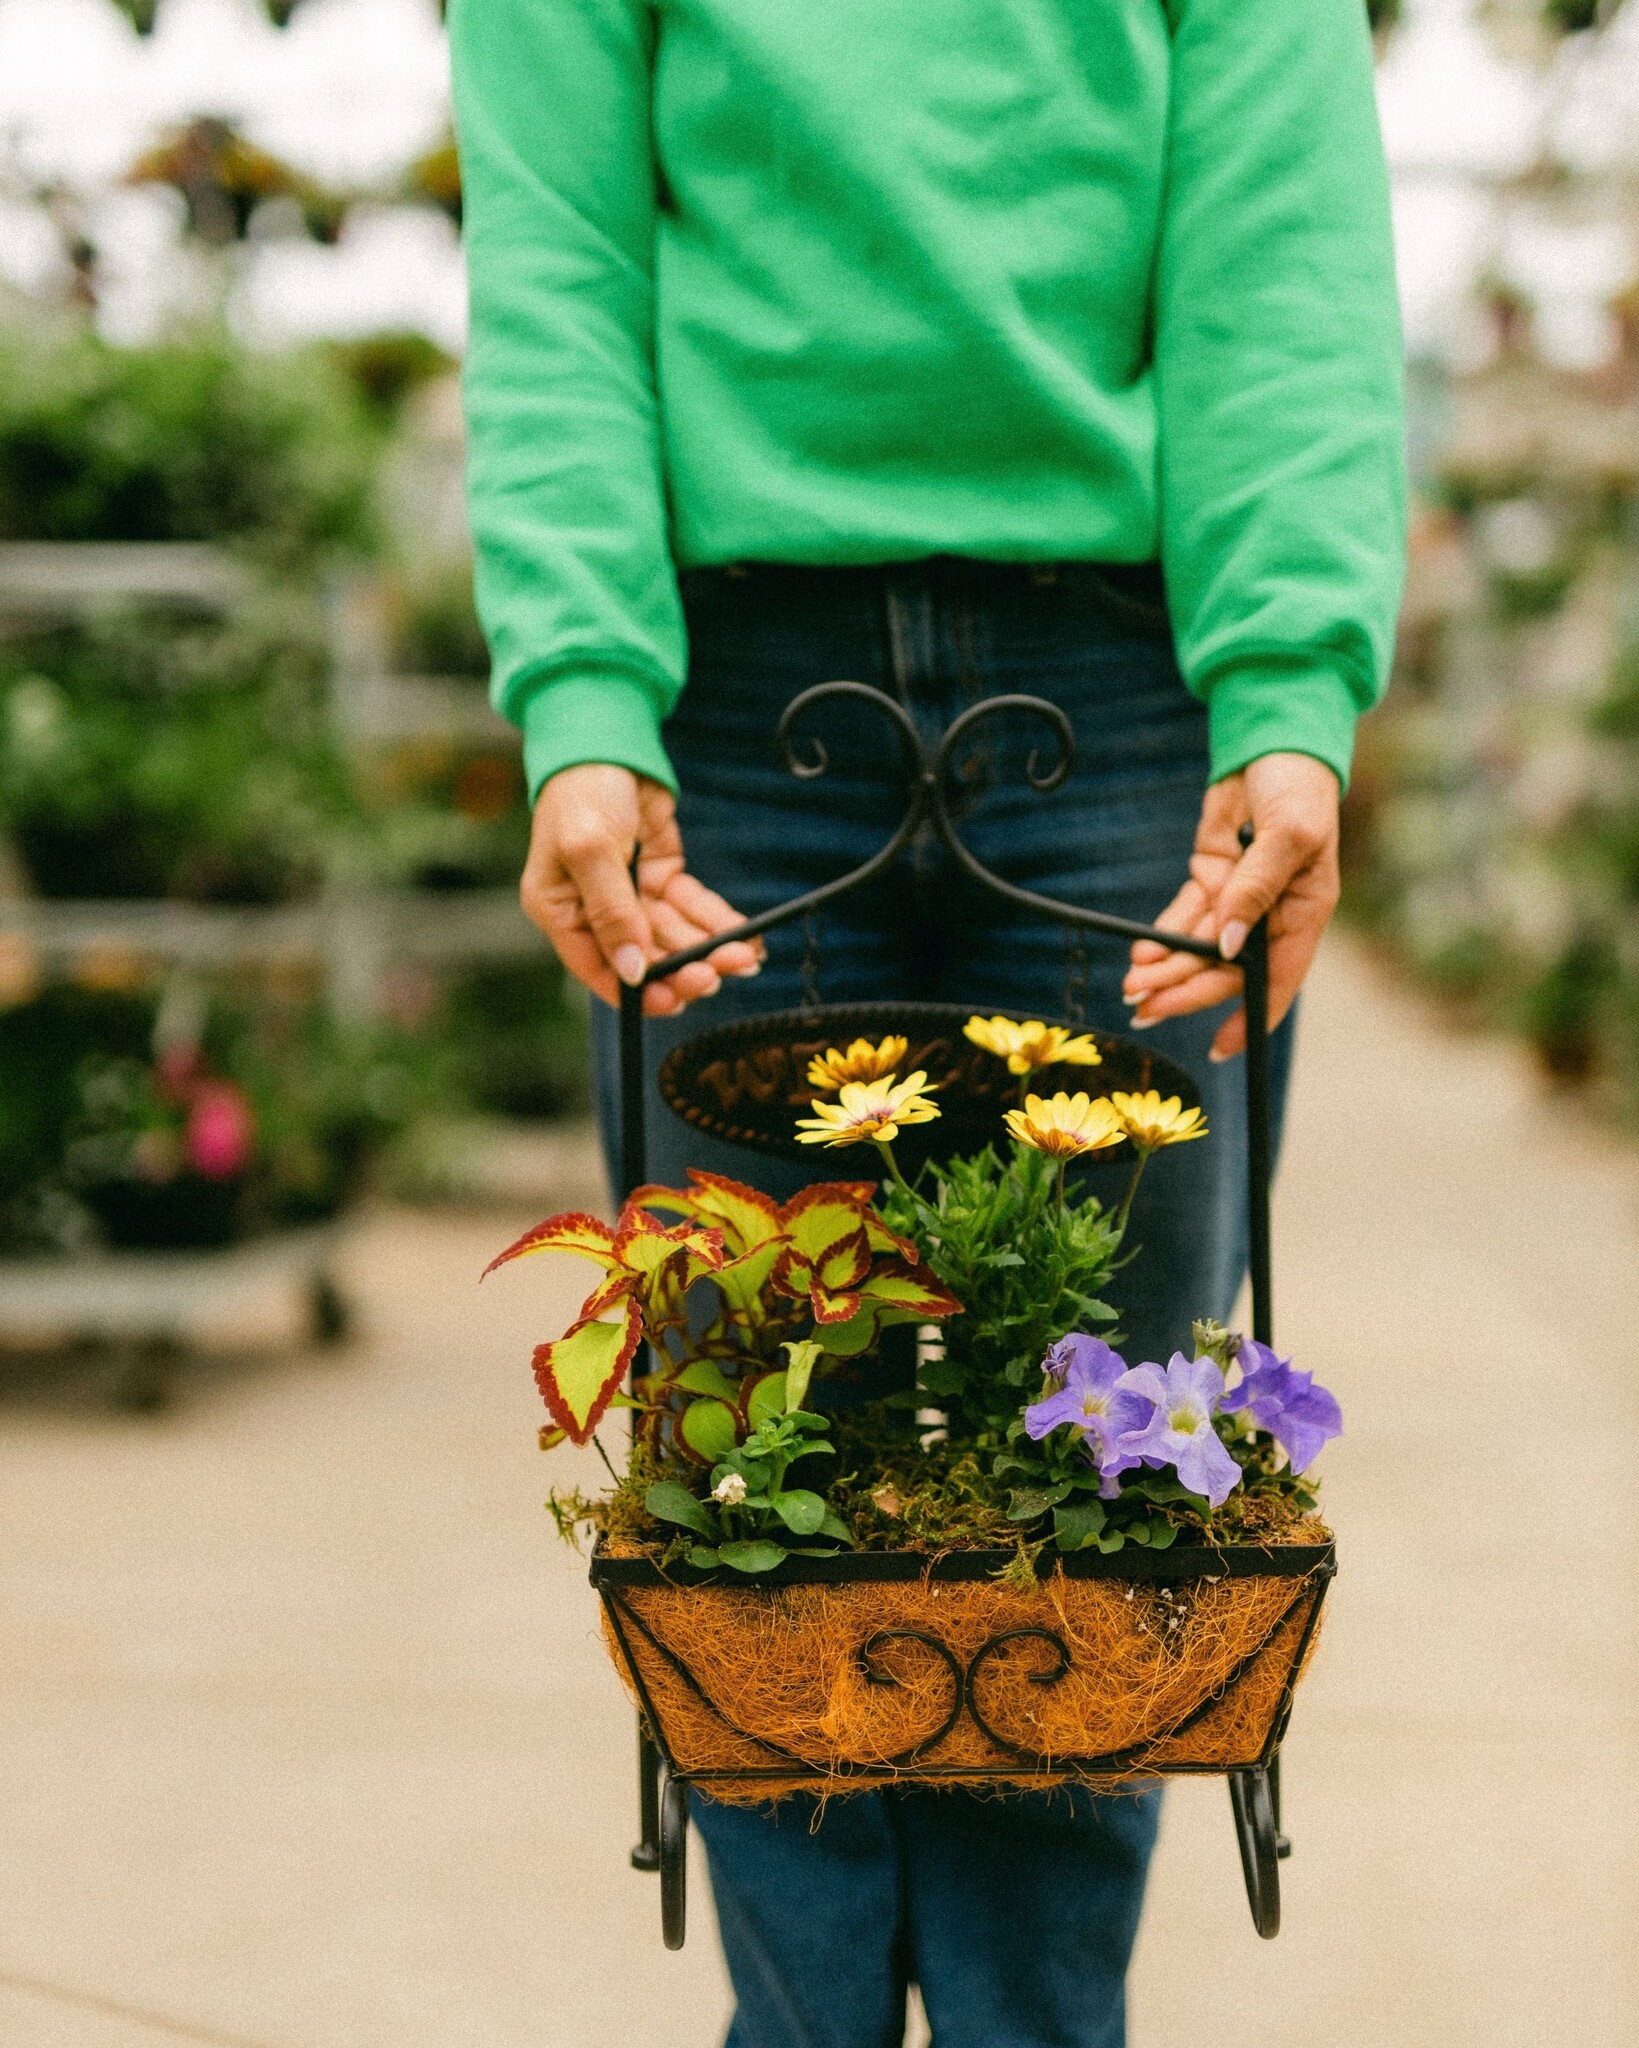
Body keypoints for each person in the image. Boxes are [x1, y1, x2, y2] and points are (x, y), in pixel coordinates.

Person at [450, 0, 1403, 2040]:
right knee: (750, 1490)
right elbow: (556, 251)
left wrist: (1289, 692)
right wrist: (582, 693)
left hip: (1123, 694)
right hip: (727, 702)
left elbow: (1276, 246)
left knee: (1093, 1484)